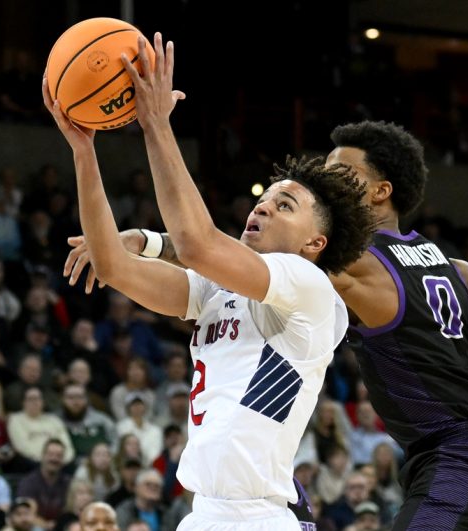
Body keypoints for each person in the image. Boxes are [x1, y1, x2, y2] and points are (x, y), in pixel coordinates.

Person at [64, 60, 468, 531]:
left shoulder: (354, 267)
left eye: (339, 171)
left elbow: (219, 249)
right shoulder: (447, 265)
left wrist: (148, 233)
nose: (322, 178)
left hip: (460, 460)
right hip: (465, 461)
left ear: (379, 191)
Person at [43, 30, 373, 531]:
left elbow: (198, 244)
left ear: (314, 244)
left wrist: (155, 123)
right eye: (264, 199)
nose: (262, 206)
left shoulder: (310, 290)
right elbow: (112, 266)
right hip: (203, 514)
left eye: (285, 206)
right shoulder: (217, 291)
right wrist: (84, 151)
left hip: (259, 518)